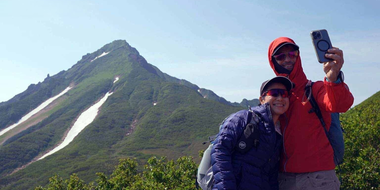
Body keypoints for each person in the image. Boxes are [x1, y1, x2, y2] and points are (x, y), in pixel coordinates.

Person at [267, 37, 354, 190]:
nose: (287, 59)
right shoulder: (276, 97)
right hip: (284, 179)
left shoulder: (316, 89)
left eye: (292, 54)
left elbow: (340, 104)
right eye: (280, 56)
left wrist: (334, 79)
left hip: (318, 178)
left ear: (298, 56)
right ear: (272, 61)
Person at [211, 76, 293, 190]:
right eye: (274, 93)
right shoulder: (243, 118)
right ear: (262, 99)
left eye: (284, 94)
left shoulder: (278, 135)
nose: (280, 98)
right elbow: (219, 150)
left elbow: (271, 174)